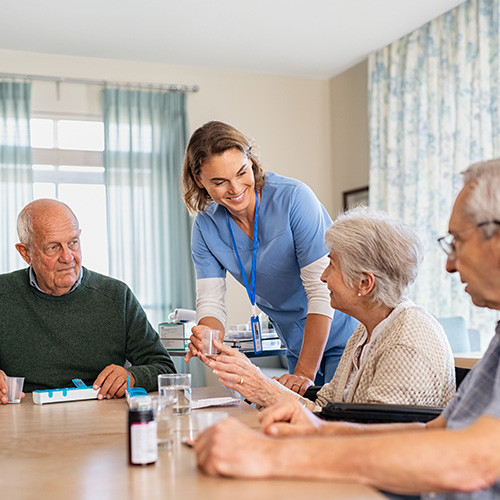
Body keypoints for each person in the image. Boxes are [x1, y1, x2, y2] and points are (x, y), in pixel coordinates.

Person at [194, 160, 500, 499]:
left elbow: (472, 459)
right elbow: (432, 430)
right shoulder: (364, 332)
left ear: (364, 283)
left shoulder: (409, 337)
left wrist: (271, 452)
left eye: (457, 240)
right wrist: (318, 430)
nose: (449, 263)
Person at [199, 207, 455, 410]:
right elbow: (326, 407)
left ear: (364, 283)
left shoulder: (405, 343)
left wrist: (264, 388)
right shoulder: (366, 333)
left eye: (331, 265)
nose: (323, 277)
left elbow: (370, 439)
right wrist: (258, 386)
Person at [181, 120, 358, 393]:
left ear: (251, 161)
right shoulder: (206, 227)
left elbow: (321, 292)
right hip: (296, 342)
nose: (236, 188)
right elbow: (211, 303)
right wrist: (207, 337)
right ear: (199, 180)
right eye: (219, 182)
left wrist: (303, 375)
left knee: (335, 420)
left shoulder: (294, 199)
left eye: (242, 172)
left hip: (343, 332)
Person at [0, 199, 175, 404]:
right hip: (22, 421)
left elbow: (164, 368)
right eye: (53, 247)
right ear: (25, 252)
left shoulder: (116, 296)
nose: (67, 257)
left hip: (99, 415)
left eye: (73, 243)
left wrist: (133, 376)